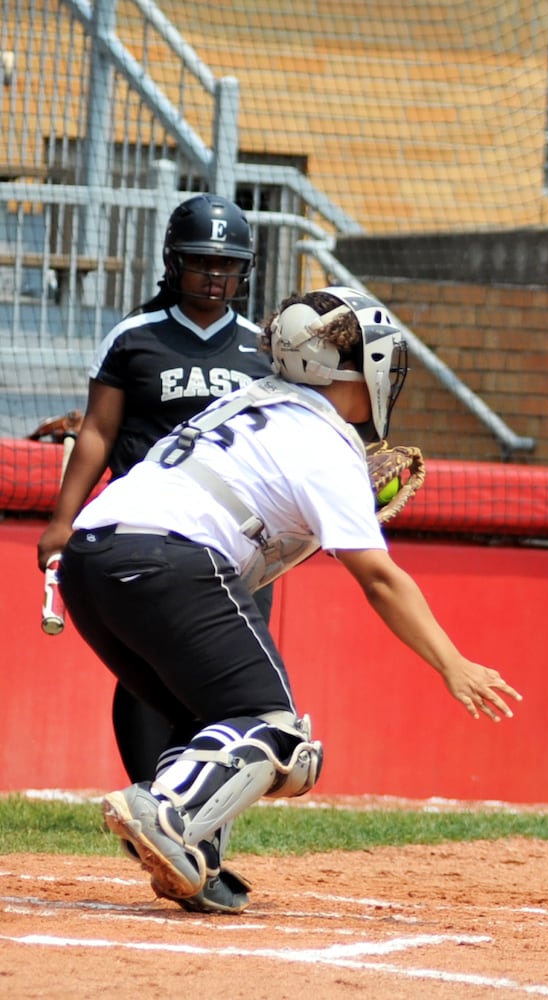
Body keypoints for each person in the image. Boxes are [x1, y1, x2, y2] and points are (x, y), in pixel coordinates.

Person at [57, 287, 521, 915]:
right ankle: (166, 812)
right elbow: (380, 579)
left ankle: (193, 856)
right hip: (167, 556)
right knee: (282, 739)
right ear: (359, 372)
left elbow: (245, 528)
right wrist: (452, 664)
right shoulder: (326, 443)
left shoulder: (246, 402)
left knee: (210, 719)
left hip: (91, 560)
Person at [35, 193, 273, 788]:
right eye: (201, 262)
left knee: (225, 680)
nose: (215, 276)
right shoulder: (134, 337)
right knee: (150, 669)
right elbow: (97, 431)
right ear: (173, 262)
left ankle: (190, 813)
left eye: (228, 264)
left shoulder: (261, 350)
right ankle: (153, 797)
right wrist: (63, 521)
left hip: (231, 539)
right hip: (149, 534)